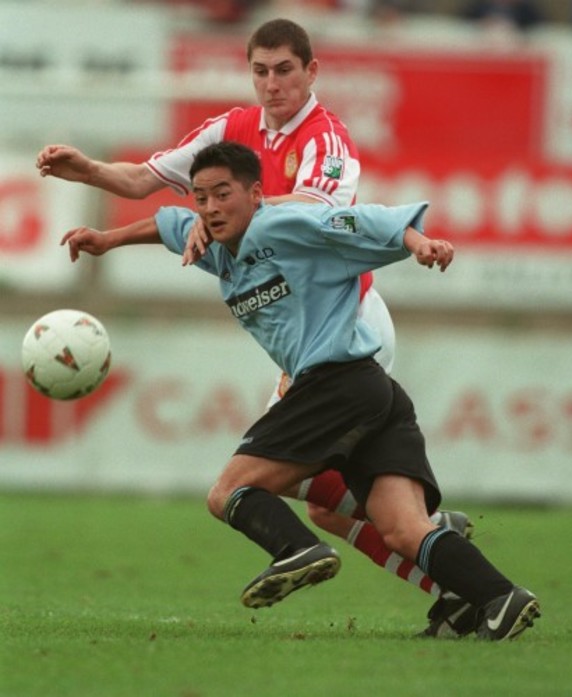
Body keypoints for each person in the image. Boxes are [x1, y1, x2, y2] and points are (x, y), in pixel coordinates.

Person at [37, 17, 473, 632]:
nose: (272, 85)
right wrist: (87, 169)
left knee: (268, 479)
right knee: (318, 499)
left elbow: (320, 215)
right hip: (300, 333)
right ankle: (433, 548)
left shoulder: (327, 140)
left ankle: (412, 536)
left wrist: (222, 216)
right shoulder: (232, 130)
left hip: (345, 322)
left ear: (311, 71)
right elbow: (143, 180)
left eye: (285, 70)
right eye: (261, 71)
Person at [60, 141, 541, 640]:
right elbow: (165, 224)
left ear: (256, 193)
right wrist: (106, 238)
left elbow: (368, 221)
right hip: (372, 392)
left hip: (335, 384)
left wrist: (419, 244)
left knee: (229, 492)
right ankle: (499, 597)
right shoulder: (212, 242)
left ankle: (298, 550)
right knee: (402, 529)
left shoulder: (283, 226)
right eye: (201, 197)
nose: (210, 207)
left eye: (223, 194)